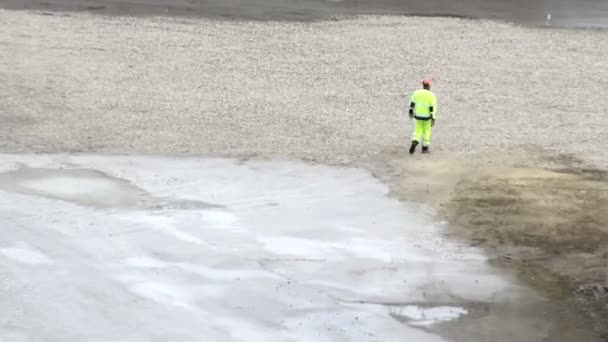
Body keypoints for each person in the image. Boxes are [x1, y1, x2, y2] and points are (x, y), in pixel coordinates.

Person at [408, 79, 437, 154]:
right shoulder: (431, 95)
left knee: (418, 130)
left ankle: (415, 141)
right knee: (427, 131)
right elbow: (432, 107)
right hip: (427, 117)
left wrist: (411, 112)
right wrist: (433, 117)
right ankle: (425, 148)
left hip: (418, 115)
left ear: (423, 85)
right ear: (429, 85)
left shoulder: (417, 93)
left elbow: (412, 103)